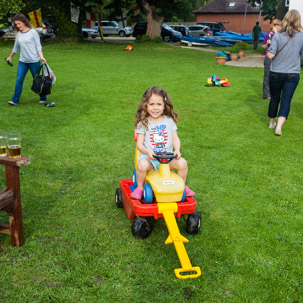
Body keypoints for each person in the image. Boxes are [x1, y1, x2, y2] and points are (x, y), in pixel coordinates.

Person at [130, 86, 195, 200]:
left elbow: (175, 139)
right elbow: (139, 144)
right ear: (146, 105)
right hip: (150, 158)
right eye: (151, 104)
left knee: (182, 164)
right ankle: (140, 188)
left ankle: (183, 187)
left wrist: (177, 150)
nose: (155, 108)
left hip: (167, 159)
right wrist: (147, 151)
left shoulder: (169, 121)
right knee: (142, 166)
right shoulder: (143, 123)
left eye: (159, 104)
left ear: (164, 105)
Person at [267, 9, 303, 136]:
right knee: (286, 100)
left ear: (285, 19)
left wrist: (269, 49)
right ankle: (279, 127)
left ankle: (272, 123)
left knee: (274, 98)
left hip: (276, 72)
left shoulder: (277, 35)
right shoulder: (302, 36)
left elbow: (270, 56)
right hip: (292, 74)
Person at [6, 14, 47, 106]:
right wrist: (10, 57)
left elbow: (38, 46)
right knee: (19, 80)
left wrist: (42, 57)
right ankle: (15, 100)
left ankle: (43, 97)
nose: (18, 26)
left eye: (19, 23)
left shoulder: (33, 32)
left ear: (24, 22)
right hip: (23, 62)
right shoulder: (19, 34)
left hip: (34, 61)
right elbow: (16, 47)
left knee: (37, 80)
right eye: (16, 24)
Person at [262, 19, 281, 100]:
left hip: (277, 58)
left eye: (280, 25)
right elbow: (263, 47)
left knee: (276, 77)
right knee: (267, 76)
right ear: (273, 26)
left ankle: (274, 93)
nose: (279, 27)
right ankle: (266, 94)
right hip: (268, 57)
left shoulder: (280, 35)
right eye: (278, 25)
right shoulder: (268, 35)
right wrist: (267, 43)